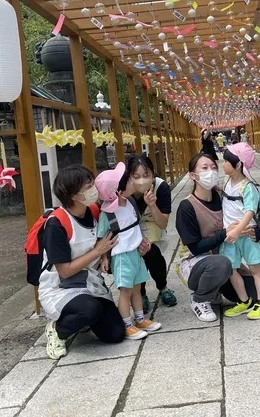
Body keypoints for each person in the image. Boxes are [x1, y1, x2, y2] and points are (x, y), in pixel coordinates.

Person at [175, 153, 260, 322]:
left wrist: (255, 232)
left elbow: (248, 215)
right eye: (204, 168)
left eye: (214, 167)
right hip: (198, 262)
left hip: (225, 255)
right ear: (192, 175)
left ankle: (216, 291)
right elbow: (196, 248)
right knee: (222, 263)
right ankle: (200, 298)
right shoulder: (187, 206)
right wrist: (226, 232)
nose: (211, 171)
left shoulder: (224, 196)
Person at [38, 165, 122, 360]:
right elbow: (64, 271)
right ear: (73, 195)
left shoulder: (93, 211)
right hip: (61, 289)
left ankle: (82, 319)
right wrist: (98, 251)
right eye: (89, 186)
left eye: (93, 183)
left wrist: (104, 255)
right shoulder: (56, 223)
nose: (95, 189)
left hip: (91, 284)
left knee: (115, 334)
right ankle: (57, 329)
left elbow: (105, 237)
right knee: (90, 310)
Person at [95, 162, 161, 339]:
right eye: (130, 180)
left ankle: (139, 319)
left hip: (135, 252)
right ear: (118, 191)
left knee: (137, 287)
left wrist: (143, 240)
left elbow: (135, 224)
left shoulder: (130, 202)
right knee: (125, 291)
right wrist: (104, 257)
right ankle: (126, 324)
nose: (134, 182)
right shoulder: (107, 214)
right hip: (122, 255)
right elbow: (102, 237)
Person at [220, 143, 260, 320]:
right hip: (230, 235)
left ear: (239, 164)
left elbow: (249, 211)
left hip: (245, 235)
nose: (223, 163)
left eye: (227, 161)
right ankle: (244, 301)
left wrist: (237, 231)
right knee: (231, 268)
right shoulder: (227, 182)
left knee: (254, 267)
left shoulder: (248, 187)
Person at [124, 154, 177, 313]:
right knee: (135, 253)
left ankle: (163, 287)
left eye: (146, 175)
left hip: (153, 224)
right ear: (129, 177)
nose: (141, 180)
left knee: (152, 252)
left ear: (153, 174)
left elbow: (163, 223)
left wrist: (152, 205)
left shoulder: (161, 188)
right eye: (136, 176)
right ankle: (141, 294)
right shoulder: (124, 190)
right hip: (130, 227)